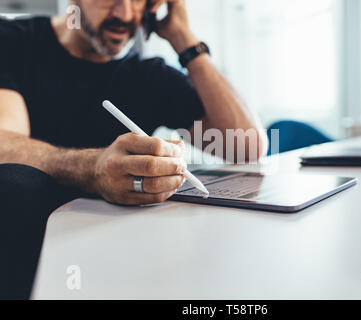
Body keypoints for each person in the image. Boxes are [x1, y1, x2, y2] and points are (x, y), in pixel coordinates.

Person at [0, 0, 267, 299]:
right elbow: (3, 143)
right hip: (25, 255)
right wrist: (91, 168)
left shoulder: (149, 76)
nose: (124, 14)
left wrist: (184, 39)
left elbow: (247, 145)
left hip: (124, 262)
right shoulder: (12, 40)